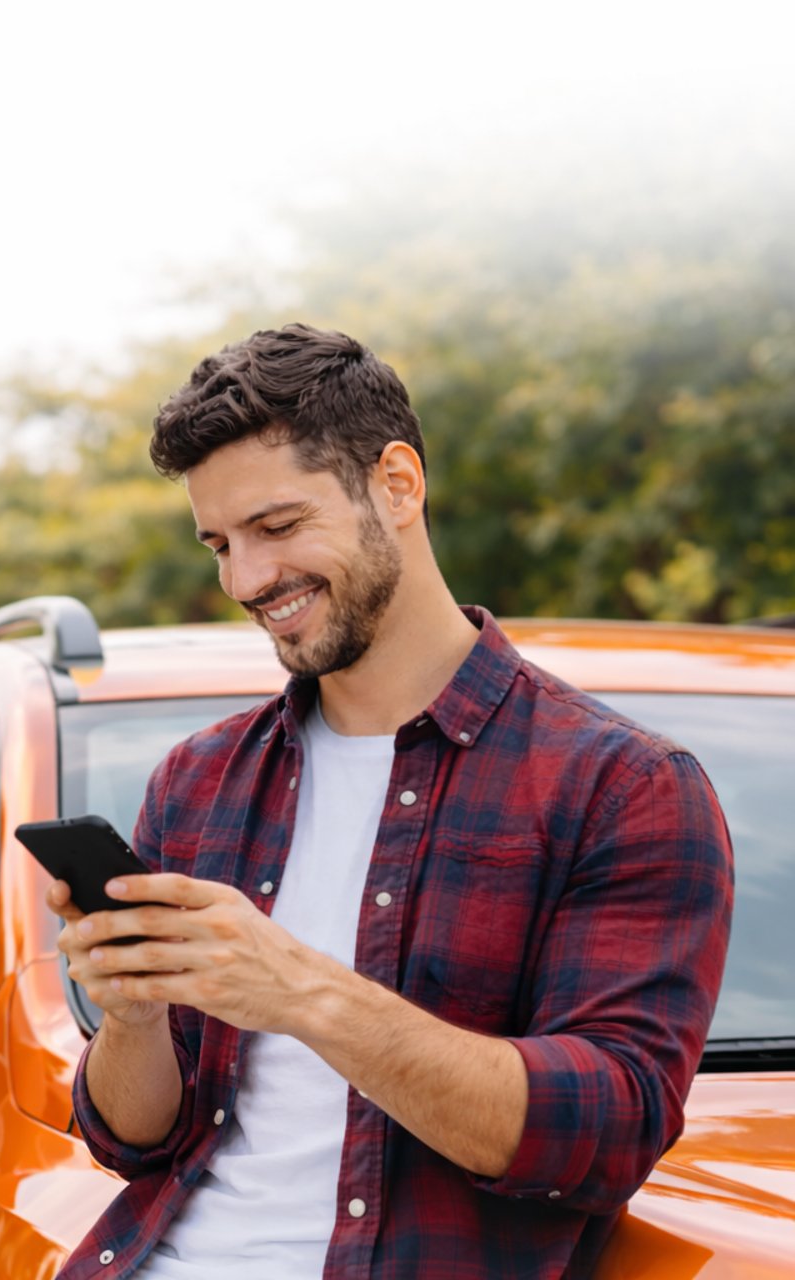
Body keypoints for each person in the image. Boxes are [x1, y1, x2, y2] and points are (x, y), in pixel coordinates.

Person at [48, 325, 733, 1279]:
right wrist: (131, 1015)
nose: (246, 581)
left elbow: (608, 1131)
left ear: (398, 485)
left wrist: (302, 991)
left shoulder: (621, 786)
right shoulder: (197, 783)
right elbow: (133, 1141)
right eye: (221, 544)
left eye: (279, 528)